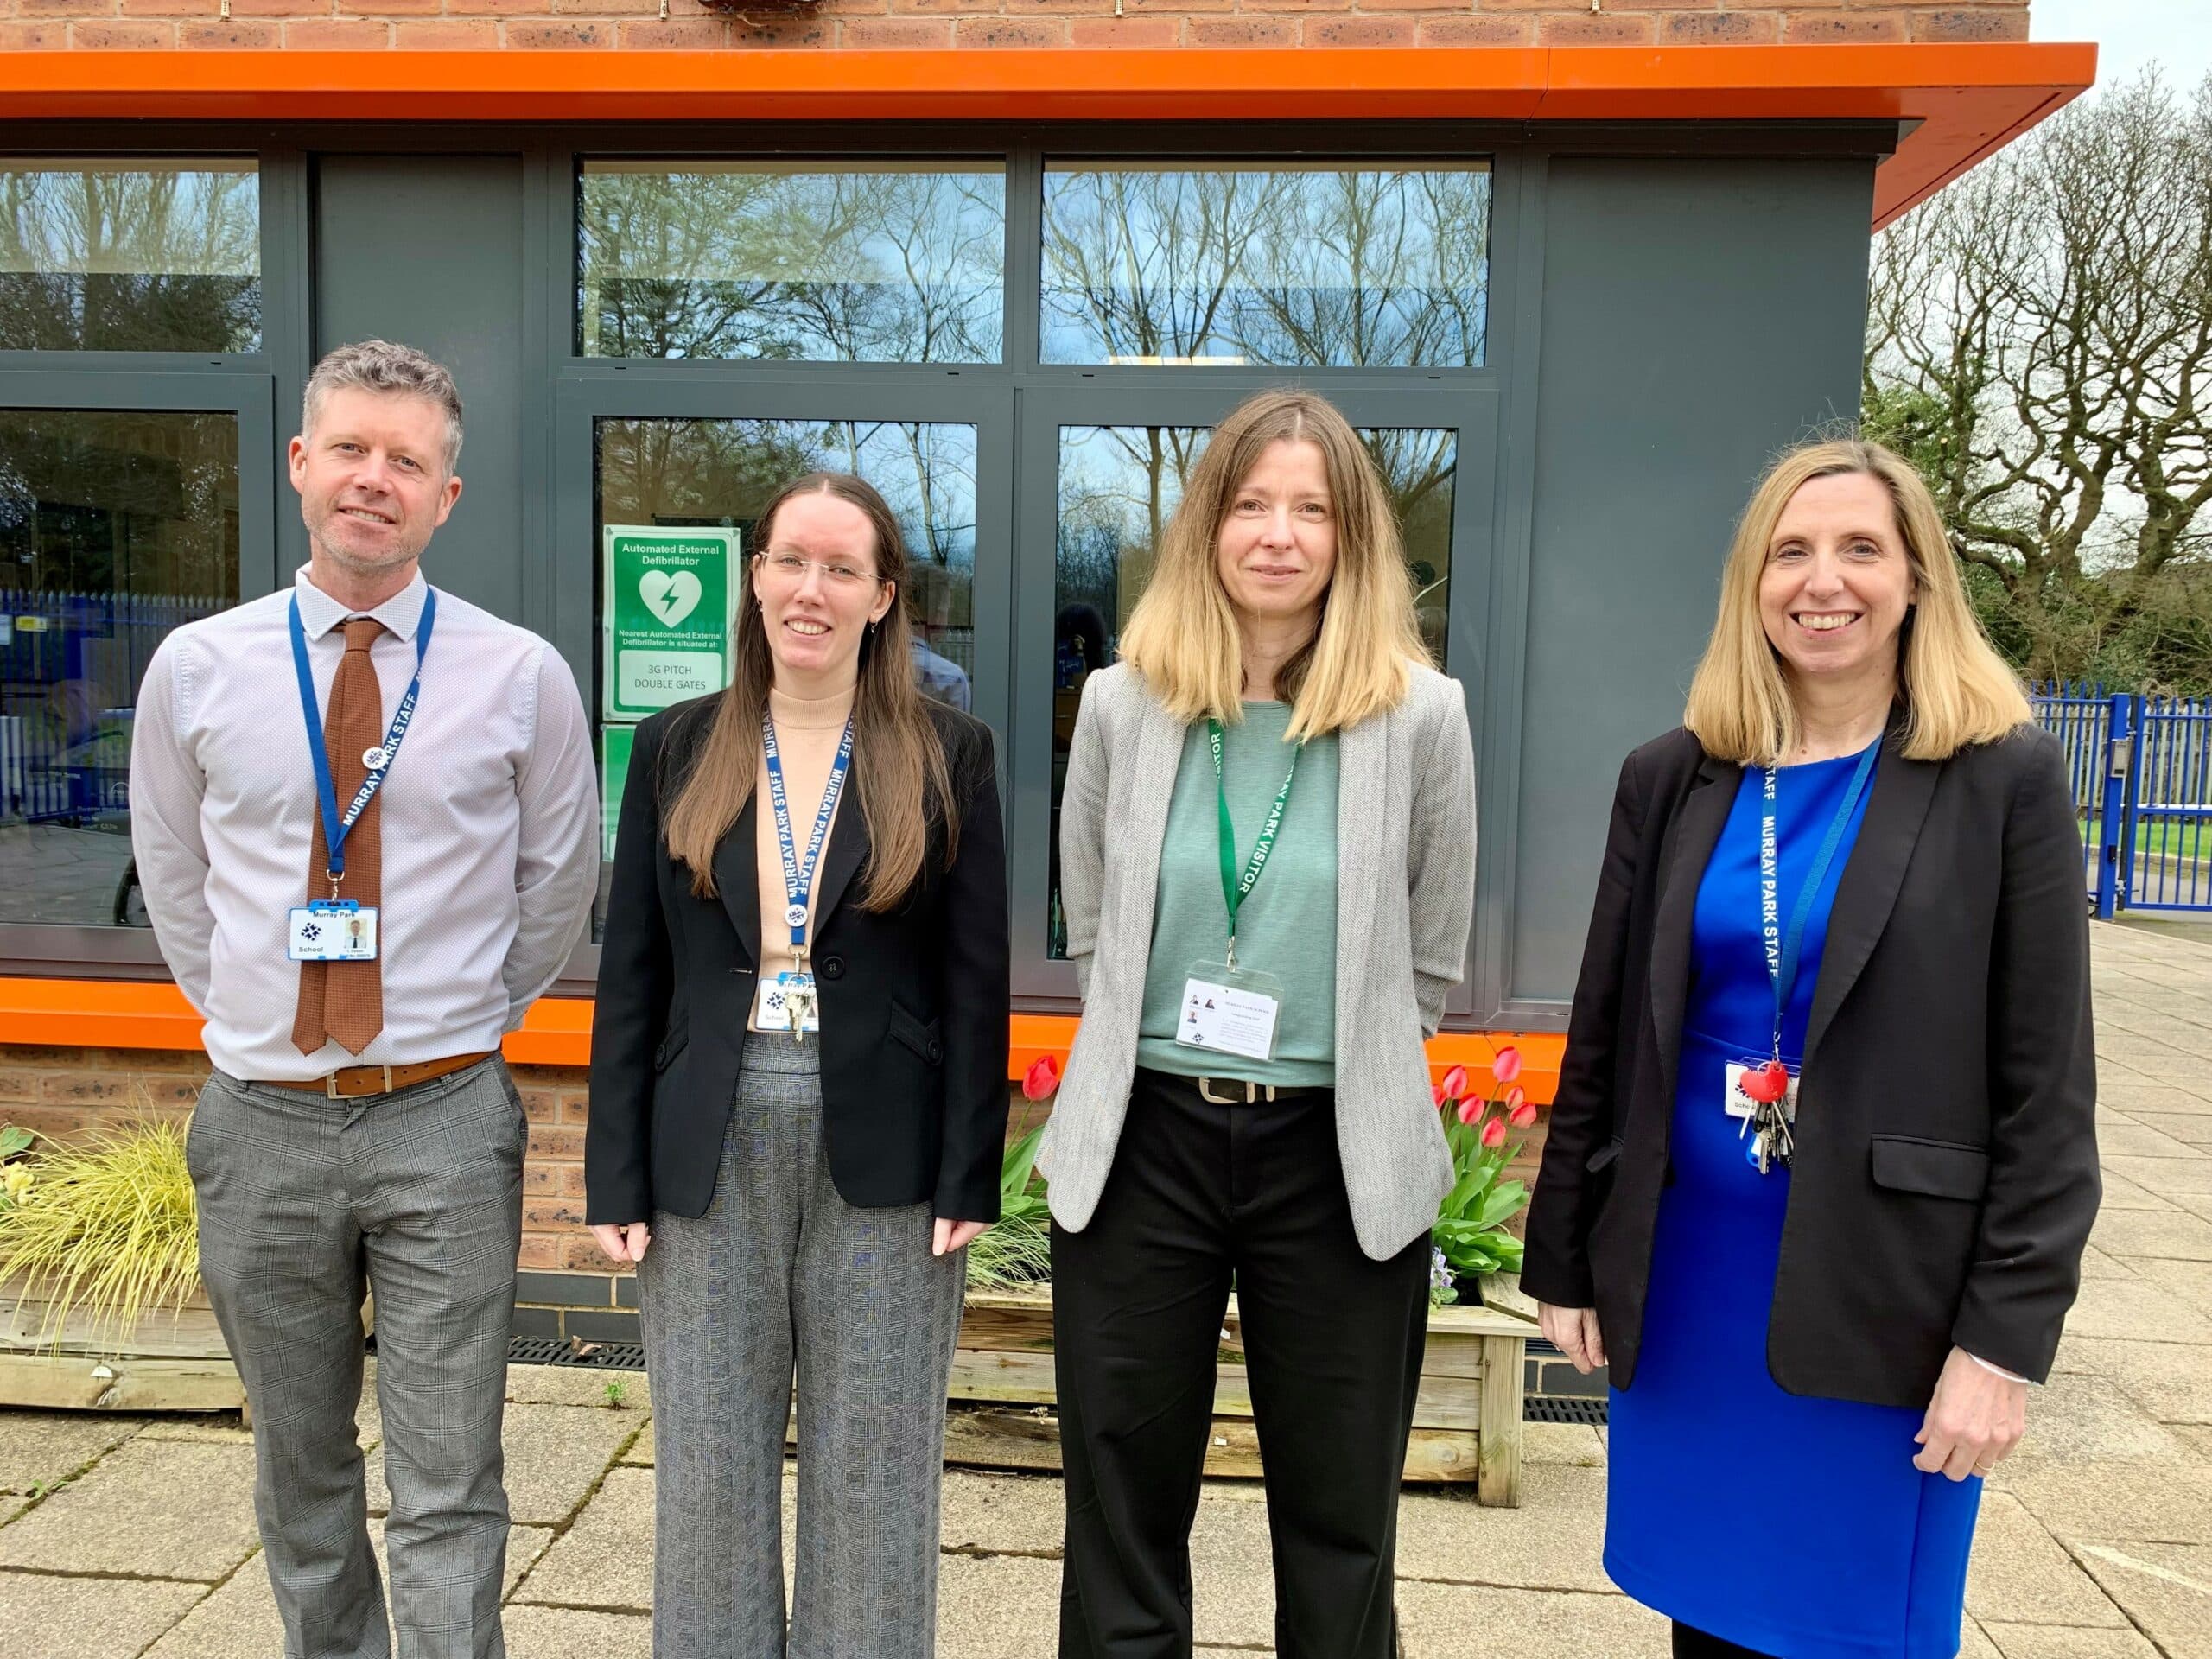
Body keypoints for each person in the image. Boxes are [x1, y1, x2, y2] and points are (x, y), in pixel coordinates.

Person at [1521, 437, 2100, 1659]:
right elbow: (1605, 1034)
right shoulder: (1674, 777)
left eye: (1859, 550)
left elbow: (2048, 1097)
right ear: (1751, 584)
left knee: (1855, 1627)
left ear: (1916, 582)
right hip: (1690, 1288)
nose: (1821, 580)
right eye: (1791, 551)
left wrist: (2004, 1343)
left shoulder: (2003, 782)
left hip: (1886, 1299)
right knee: (1709, 1615)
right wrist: (1566, 1254)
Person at [130, 340, 600, 1659]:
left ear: (448, 496)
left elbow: (555, 886)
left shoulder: (519, 677)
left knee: (452, 1481)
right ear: (299, 467)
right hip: (260, 1124)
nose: (373, 481)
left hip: (444, 1120)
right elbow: (174, 874)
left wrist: (453, 1024)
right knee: (301, 1467)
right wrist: (255, 1020)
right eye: (349, 449)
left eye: (408, 460)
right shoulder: (200, 670)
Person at [1041, 388, 1477, 1659]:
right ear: (1206, 529)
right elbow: (1096, 927)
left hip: (1337, 1157)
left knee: (1341, 1527)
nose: (1278, 535)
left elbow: (1431, 960)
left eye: (1311, 509)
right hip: (1146, 1148)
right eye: (1250, 505)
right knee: (1121, 1512)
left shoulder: (1421, 718)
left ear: (1352, 539)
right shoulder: (1124, 706)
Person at [585, 472, 1008, 1658]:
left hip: (888, 1154)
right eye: (788, 561)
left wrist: (971, 1174)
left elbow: (978, 981)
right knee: (710, 1473)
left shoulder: (946, 753)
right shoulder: (678, 746)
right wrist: (614, 1173)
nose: (808, 589)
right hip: (705, 1146)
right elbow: (633, 973)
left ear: (883, 598)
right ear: (754, 577)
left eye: (839, 569)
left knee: (874, 1478)